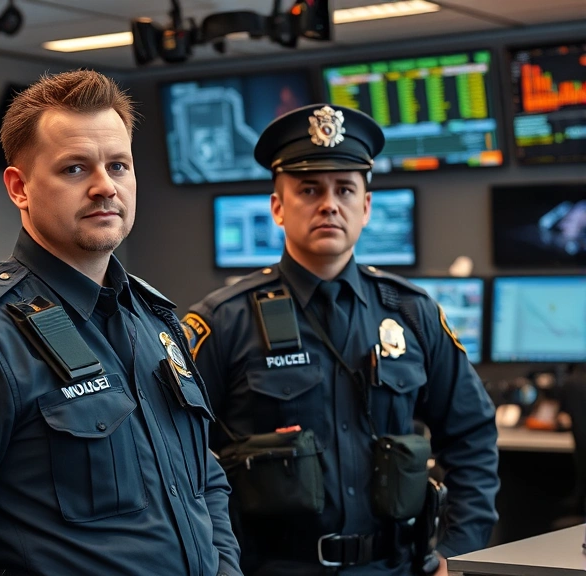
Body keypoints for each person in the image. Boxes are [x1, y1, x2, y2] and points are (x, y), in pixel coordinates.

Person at [0, 70, 242, 576]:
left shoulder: (155, 322)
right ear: (19, 188)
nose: (104, 186)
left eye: (119, 165)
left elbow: (204, 482)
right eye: (74, 169)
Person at [181, 104, 499, 575]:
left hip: (396, 566)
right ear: (277, 207)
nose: (329, 203)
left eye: (345, 189)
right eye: (309, 189)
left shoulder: (411, 312)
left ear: (366, 207)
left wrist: (459, 551)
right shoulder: (224, 321)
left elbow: (471, 435)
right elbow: (176, 458)